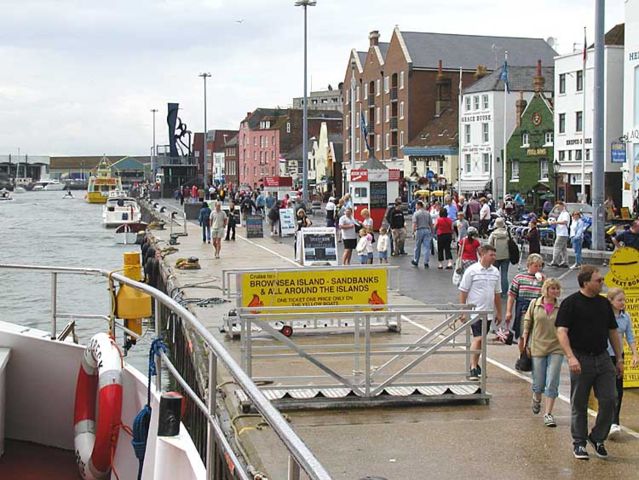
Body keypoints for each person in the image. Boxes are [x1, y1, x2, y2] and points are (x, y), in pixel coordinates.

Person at [555, 265, 624, 460]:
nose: (602, 283)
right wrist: (570, 357)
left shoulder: (603, 304)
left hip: (602, 357)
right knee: (579, 402)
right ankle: (579, 442)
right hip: (580, 357)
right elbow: (561, 332)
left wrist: (619, 358)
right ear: (586, 283)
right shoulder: (571, 303)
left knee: (610, 399)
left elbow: (613, 332)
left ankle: (597, 437)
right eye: (598, 280)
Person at [522, 278, 563, 427]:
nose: (556, 291)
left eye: (557, 289)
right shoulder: (535, 304)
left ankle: (549, 413)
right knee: (539, 381)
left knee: (552, 380)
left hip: (556, 347)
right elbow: (527, 322)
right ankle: (536, 396)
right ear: (546, 290)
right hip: (538, 346)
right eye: (553, 288)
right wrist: (525, 341)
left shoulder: (561, 306)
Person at [458, 244, 503, 380]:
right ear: (482, 254)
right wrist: (463, 310)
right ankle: (472, 367)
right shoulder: (472, 271)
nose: (494, 258)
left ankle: (476, 364)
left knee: (481, 340)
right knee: (478, 338)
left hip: (488, 312)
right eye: (491, 255)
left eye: (494, 255)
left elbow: (497, 293)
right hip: (475, 311)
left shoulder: (495, 272)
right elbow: (463, 291)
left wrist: (499, 312)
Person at [606, 288, 639, 438]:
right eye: (619, 300)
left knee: (618, 389)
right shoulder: (605, 316)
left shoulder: (625, 317)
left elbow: (630, 337)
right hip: (604, 355)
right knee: (606, 390)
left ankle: (615, 422)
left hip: (618, 356)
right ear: (611, 301)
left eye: (624, 300)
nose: (622, 303)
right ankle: (604, 419)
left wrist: (635, 354)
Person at [506, 254, 545, 345]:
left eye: (540, 266)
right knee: (523, 334)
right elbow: (511, 295)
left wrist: (545, 282)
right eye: (536, 266)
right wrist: (508, 311)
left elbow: (547, 296)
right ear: (529, 265)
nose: (538, 268)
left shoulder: (543, 279)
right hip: (523, 309)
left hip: (538, 309)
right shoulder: (519, 277)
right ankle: (522, 354)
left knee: (536, 335)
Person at [488, 217, 510, 296]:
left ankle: (495, 291)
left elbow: (489, 245)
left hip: (495, 256)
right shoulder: (507, 233)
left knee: (494, 274)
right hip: (506, 256)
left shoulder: (493, 234)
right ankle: (504, 292)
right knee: (504, 274)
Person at [411, 200, 433, 268]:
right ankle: (426, 262)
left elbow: (414, 223)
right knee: (427, 247)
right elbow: (431, 224)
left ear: (419, 205)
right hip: (427, 230)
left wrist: (413, 232)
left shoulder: (416, 213)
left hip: (419, 230)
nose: (416, 207)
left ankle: (416, 260)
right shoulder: (427, 213)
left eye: (416, 205)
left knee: (417, 246)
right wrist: (432, 231)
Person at [550, 201, 570, 268]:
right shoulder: (562, 213)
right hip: (561, 233)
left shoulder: (565, 214)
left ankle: (554, 261)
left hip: (562, 233)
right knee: (563, 249)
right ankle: (565, 262)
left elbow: (565, 221)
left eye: (558, 207)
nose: (557, 208)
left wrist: (555, 222)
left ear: (562, 206)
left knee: (557, 247)